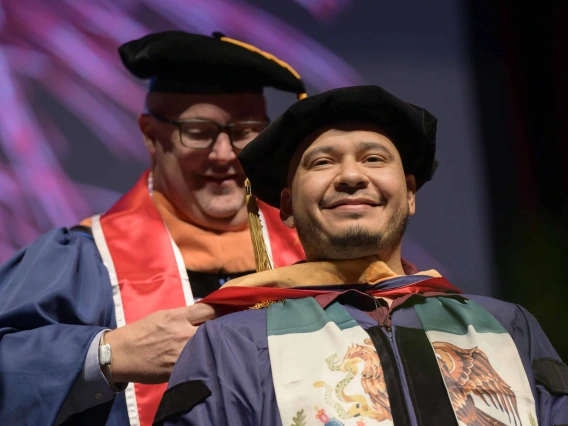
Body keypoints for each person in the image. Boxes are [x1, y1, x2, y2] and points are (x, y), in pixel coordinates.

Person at [156, 85, 568, 426]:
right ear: (286, 205)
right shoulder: (233, 344)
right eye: (322, 162)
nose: (351, 177)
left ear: (409, 195)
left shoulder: (506, 328)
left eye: (374, 158)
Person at [0, 31, 306, 426]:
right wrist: (109, 354)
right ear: (150, 134)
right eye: (197, 131)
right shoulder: (81, 261)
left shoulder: (311, 255)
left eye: (246, 130)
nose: (226, 154)